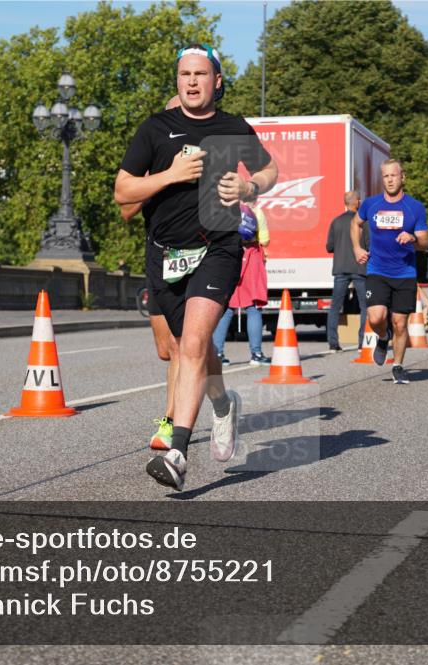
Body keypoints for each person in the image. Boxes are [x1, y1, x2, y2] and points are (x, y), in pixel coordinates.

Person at [115, 44, 277, 490]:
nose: (191, 81)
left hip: (218, 247)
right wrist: (171, 174)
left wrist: (248, 186)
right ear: (177, 80)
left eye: (200, 74)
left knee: (194, 342)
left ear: (216, 81)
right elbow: (123, 192)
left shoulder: (231, 127)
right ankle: (223, 404)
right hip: (164, 254)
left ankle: (178, 452)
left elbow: (270, 171)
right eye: (184, 74)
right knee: (190, 348)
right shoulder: (156, 128)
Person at [119, 95, 182, 451]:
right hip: (159, 257)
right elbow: (126, 209)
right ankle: (222, 399)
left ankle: (170, 422)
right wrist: (164, 179)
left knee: (179, 345)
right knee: (165, 349)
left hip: (198, 256)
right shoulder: (154, 158)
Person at [351, 159, 428, 384]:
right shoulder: (371, 204)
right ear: (382, 179)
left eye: (394, 175)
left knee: (400, 323)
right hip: (377, 270)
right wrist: (357, 248)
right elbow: (355, 224)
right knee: (376, 318)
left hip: (405, 273)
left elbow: (424, 242)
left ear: (402, 177)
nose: (390, 180)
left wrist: (413, 237)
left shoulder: (414, 207)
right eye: (386, 176)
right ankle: (383, 338)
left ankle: (398, 365)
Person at [212, 202, 270, 366]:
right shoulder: (257, 212)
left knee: (227, 307)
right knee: (253, 307)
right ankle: (256, 354)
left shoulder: (224, 210)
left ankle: (217, 353)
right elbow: (264, 240)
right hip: (251, 257)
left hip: (229, 256)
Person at [326, 191, 367, 351]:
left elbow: (329, 247)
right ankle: (362, 342)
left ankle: (333, 343)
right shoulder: (363, 223)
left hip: (340, 268)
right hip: (359, 267)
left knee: (335, 305)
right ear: (356, 202)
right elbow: (369, 245)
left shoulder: (335, 222)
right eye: (359, 199)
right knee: (365, 305)